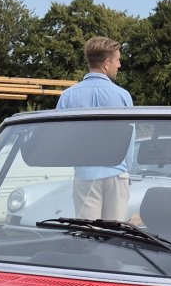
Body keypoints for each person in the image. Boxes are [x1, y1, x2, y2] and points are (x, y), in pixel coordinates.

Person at [56, 36, 135, 220]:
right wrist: (127, 171)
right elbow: (129, 140)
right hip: (116, 173)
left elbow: (61, 138)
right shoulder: (123, 96)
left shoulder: (67, 97)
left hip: (84, 175)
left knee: (88, 236)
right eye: (117, 60)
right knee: (114, 236)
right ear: (106, 63)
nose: (119, 65)